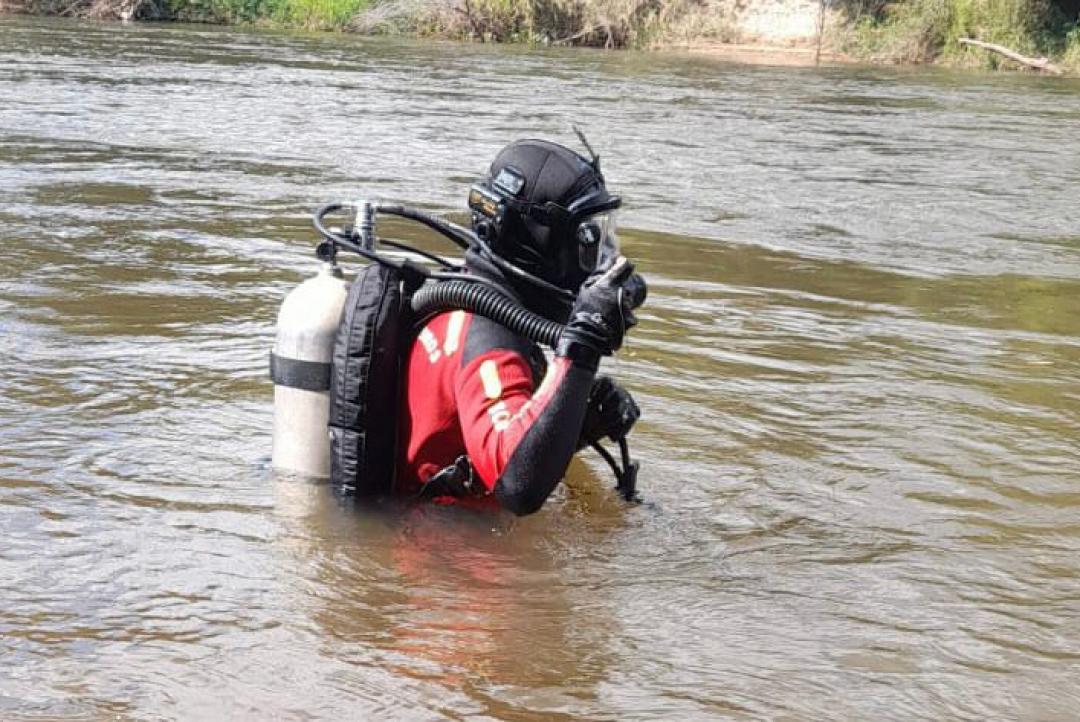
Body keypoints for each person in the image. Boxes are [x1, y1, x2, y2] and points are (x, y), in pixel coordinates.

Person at [395, 138, 645, 515]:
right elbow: (516, 486)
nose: (600, 258)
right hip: (443, 559)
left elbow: (473, 448)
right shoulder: (488, 341)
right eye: (588, 238)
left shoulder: (461, 302)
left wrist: (577, 427)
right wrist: (585, 341)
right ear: (542, 245)